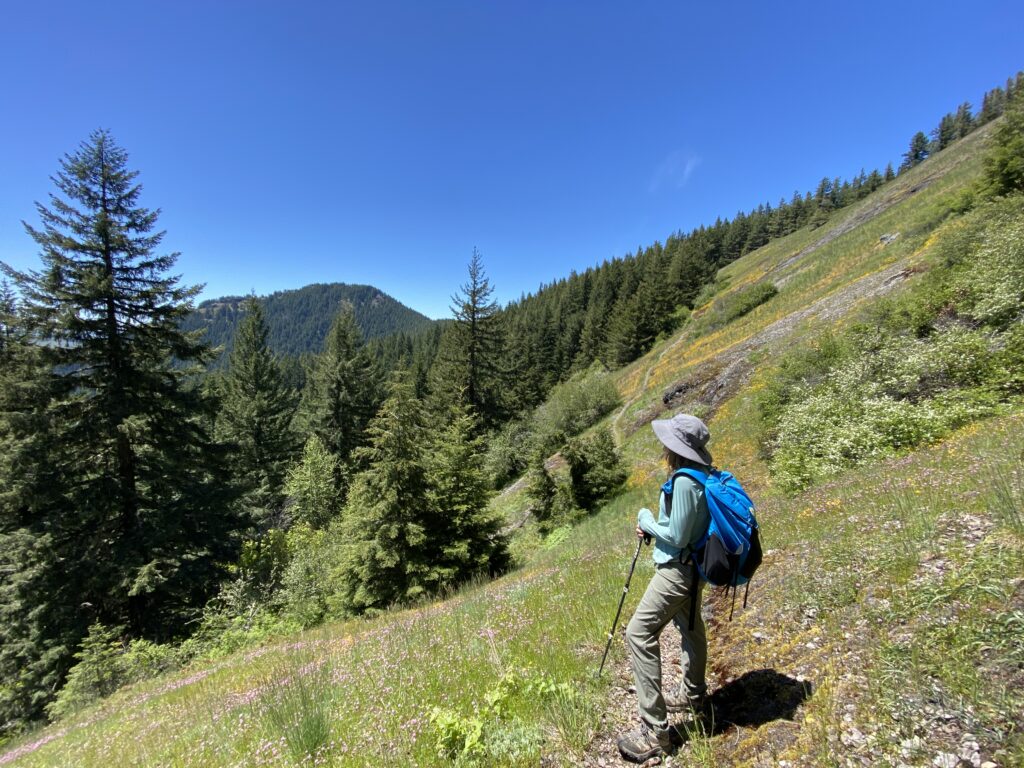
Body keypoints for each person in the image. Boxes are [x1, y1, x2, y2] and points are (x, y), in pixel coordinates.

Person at [617, 413, 713, 764]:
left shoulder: (687, 481)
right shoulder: (701, 475)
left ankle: (655, 733)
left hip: (676, 573)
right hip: (690, 570)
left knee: (638, 633)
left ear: (677, 448)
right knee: (691, 628)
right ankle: (693, 694)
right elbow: (681, 529)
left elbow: (676, 536)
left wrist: (646, 521)